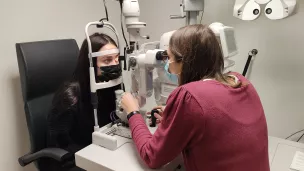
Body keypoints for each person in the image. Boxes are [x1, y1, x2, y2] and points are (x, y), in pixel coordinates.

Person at [120, 24, 270, 171]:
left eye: (169, 58)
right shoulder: (241, 81)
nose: (167, 65)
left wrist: (133, 112)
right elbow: (219, 118)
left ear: (184, 62)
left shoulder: (189, 96)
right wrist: (176, 114)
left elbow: (152, 156)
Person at [46, 33, 123, 171]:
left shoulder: (110, 86)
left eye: (117, 59)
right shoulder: (69, 97)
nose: (115, 65)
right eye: (107, 60)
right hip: (76, 161)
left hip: (104, 151)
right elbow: (59, 147)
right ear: (90, 63)